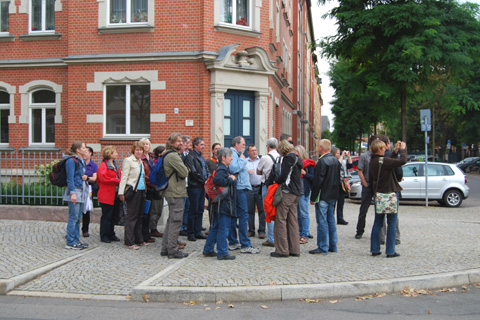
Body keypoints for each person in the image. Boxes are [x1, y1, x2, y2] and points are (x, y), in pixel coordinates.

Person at [369, 139, 407, 258]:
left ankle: (375, 249)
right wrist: (403, 149)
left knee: (378, 222)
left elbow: (389, 161)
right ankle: (390, 251)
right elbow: (402, 161)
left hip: (379, 195)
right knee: (391, 223)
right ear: (379, 149)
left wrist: (395, 151)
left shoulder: (374, 161)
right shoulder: (383, 161)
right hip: (390, 194)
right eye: (383, 148)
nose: (385, 148)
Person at [203, 147, 238, 260]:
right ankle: (222, 252)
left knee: (216, 227)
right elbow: (219, 181)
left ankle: (208, 249)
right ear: (223, 158)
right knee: (224, 228)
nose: (232, 158)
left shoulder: (221, 168)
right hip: (223, 204)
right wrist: (231, 179)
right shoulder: (222, 169)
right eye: (230, 156)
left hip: (219, 203)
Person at [270, 140, 303, 258]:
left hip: (287, 192)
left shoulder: (287, 159)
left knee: (281, 220)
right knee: (293, 221)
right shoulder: (297, 158)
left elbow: (284, 176)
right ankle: (294, 249)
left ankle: (282, 250)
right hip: (296, 193)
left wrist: (276, 181)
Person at [227, 136, 260, 254]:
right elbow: (234, 168)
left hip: (240, 187)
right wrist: (242, 160)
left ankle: (233, 242)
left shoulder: (236, 154)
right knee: (243, 215)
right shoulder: (235, 154)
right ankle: (245, 244)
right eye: (243, 144)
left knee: (235, 215)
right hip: (239, 188)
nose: (245, 146)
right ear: (237, 144)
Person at [160, 133, 190, 259]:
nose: (181, 143)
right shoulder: (173, 156)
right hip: (175, 191)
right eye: (178, 141)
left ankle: (165, 248)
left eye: (181, 141)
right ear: (171, 143)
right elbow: (184, 172)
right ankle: (172, 250)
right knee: (176, 221)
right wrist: (186, 169)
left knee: (171, 220)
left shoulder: (169, 154)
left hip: (173, 191)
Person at [309, 139, 341, 255]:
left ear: (322, 148)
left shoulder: (322, 162)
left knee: (322, 221)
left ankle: (323, 247)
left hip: (323, 195)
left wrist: (313, 197)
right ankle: (333, 245)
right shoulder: (335, 160)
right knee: (331, 220)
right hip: (333, 194)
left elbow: (318, 181)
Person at [119, 142, 147, 250]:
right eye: (137, 150)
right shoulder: (128, 161)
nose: (139, 152)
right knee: (131, 217)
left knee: (140, 216)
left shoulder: (141, 162)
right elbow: (124, 177)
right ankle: (129, 241)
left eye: (141, 150)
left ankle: (139, 239)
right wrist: (121, 192)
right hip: (133, 191)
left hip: (141, 191)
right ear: (133, 150)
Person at [63, 141, 89, 250]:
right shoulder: (71, 161)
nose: (85, 149)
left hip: (81, 190)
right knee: (73, 217)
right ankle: (70, 241)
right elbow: (70, 178)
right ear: (78, 150)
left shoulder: (80, 160)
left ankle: (76, 239)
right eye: (83, 147)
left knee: (78, 217)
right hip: (75, 191)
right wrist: (72, 193)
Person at [377, 135, 402, 245]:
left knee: (381, 215)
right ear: (386, 144)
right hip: (392, 188)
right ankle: (395, 238)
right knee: (393, 217)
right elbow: (399, 172)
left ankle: (381, 238)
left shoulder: (374, 158)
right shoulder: (391, 157)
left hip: (380, 189)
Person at [256, 137, 280, 247]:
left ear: (267, 146)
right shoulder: (281, 157)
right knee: (278, 211)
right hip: (278, 186)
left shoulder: (265, 158)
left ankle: (271, 238)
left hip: (267, 186)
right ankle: (279, 236)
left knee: (268, 211)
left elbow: (258, 171)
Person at [184, 136, 208, 241]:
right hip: (194, 186)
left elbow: (205, 169)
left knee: (200, 209)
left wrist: (207, 179)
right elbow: (193, 172)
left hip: (201, 186)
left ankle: (198, 231)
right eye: (201, 145)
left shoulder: (201, 156)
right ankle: (191, 232)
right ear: (195, 145)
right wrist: (204, 181)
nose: (203, 146)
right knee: (193, 210)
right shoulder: (190, 156)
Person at [96, 145, 121, 243]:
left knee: (114, 215)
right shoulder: (103, 166)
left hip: (114, 193)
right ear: (110, 154)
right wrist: (117, 181)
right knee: (107, 216)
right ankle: (104, 235)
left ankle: (111, 233)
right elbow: (104, 178)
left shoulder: (115, 164)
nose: (117, 153)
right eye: (115, 152)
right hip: (106, 194)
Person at [355, 135, 377, 239]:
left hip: (377, 185)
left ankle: (379, 233)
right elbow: (360, 171)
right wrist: (365, 183)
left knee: (380, 209)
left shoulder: (381, 156)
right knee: (363, 209)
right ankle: (359, 231)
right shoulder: (364, 156)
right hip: (368, 184)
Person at [294, 145, 315, 244]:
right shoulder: (295, 163)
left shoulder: (309, 164)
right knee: (297, 214)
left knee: (304, 213)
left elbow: (313, 178)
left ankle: (305, 234)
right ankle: (299, 233)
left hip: (303, 191)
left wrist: (305, 173)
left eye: (296, 152)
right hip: (295, 191)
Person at [246, 144, 266, 239]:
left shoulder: (261, 160)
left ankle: (262, 230)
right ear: (248, 152)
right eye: (252, 150)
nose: (254, 152)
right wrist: (246, 171)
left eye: (255, 150)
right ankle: (251, 230)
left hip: (260, 188)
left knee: (262, 210)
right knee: (250, 211)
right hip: (249, 188)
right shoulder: (245, 162)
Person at [139, 138, 155, 244]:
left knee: (149, 212)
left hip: (151, 187)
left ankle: (147, 233)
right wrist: (151, 181)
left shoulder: (151, 157)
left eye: (148, 144)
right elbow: (143, 174)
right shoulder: (141, 158)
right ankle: (143, 234)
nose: (146, 146)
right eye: (144, 144)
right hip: (145, 186)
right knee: (144, 212)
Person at [333, 147, 353, 225]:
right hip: (334, 183)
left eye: (339, 153)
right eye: (337, 153)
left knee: (341, 202)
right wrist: (341, 156)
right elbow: (337, 164)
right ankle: (331, 217)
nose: (339, 155)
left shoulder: (344, 162)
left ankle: (340, 218)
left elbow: (350, 166)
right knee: (333, 202)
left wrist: (348, 157)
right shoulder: (333, 161)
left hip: (342, 183)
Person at [81, 146, 98, 238]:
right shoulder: (79, 163)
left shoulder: (94, 165)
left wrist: (87, 178)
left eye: (86, 152)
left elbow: (94, 178)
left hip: (88, 189)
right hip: (80, 188)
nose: (84, 153)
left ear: (91, 153)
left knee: (86, 209)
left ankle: (85, 229)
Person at [150, 145, 165, 238]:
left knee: (159, 209)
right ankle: (152, 228)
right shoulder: (156, 162)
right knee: (154, 210)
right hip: (155, 188)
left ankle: (154, 228)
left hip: (160, 188)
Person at [179, 135, 191, 236]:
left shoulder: (188, 154)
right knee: (181, 207)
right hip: (181, 185)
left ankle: (186, 226)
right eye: (186, 143)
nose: (188, 145)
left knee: (187, 207)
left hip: (188, 184)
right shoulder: (180, 156)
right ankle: (181, 227)